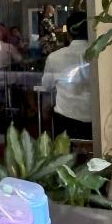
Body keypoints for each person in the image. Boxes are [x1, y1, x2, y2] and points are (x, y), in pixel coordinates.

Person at [40, 10, 92, 139]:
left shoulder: (54, 57)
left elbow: (46, 86)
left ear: (68, 34)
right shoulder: (100, 55)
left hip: (65, 121)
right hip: (96, 119)